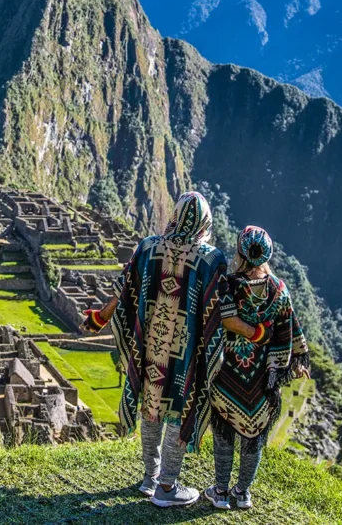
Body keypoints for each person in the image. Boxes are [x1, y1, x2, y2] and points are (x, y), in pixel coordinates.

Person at [81, 192, 264, 508]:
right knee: (180, 410)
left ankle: (150, 478)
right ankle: (167, 487)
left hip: (151, 347)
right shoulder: (210, 259)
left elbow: (125, 291)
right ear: (205, 223)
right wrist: (255, 331)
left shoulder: (149, 247)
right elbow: (224, 311)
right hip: (187, 355)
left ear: (175, 216)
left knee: (151, 405)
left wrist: (100, 318)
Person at [202, 226, 310, 511]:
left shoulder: (229, 284)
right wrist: (298, 359)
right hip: (264, 376)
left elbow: (224, 320)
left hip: (228, 373)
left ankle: (221, 491)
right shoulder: (279, 289)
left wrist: (252, 333)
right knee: (255, 435)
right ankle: (243, 492)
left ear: (241, 251)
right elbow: (291, 327)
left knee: (224, 430)